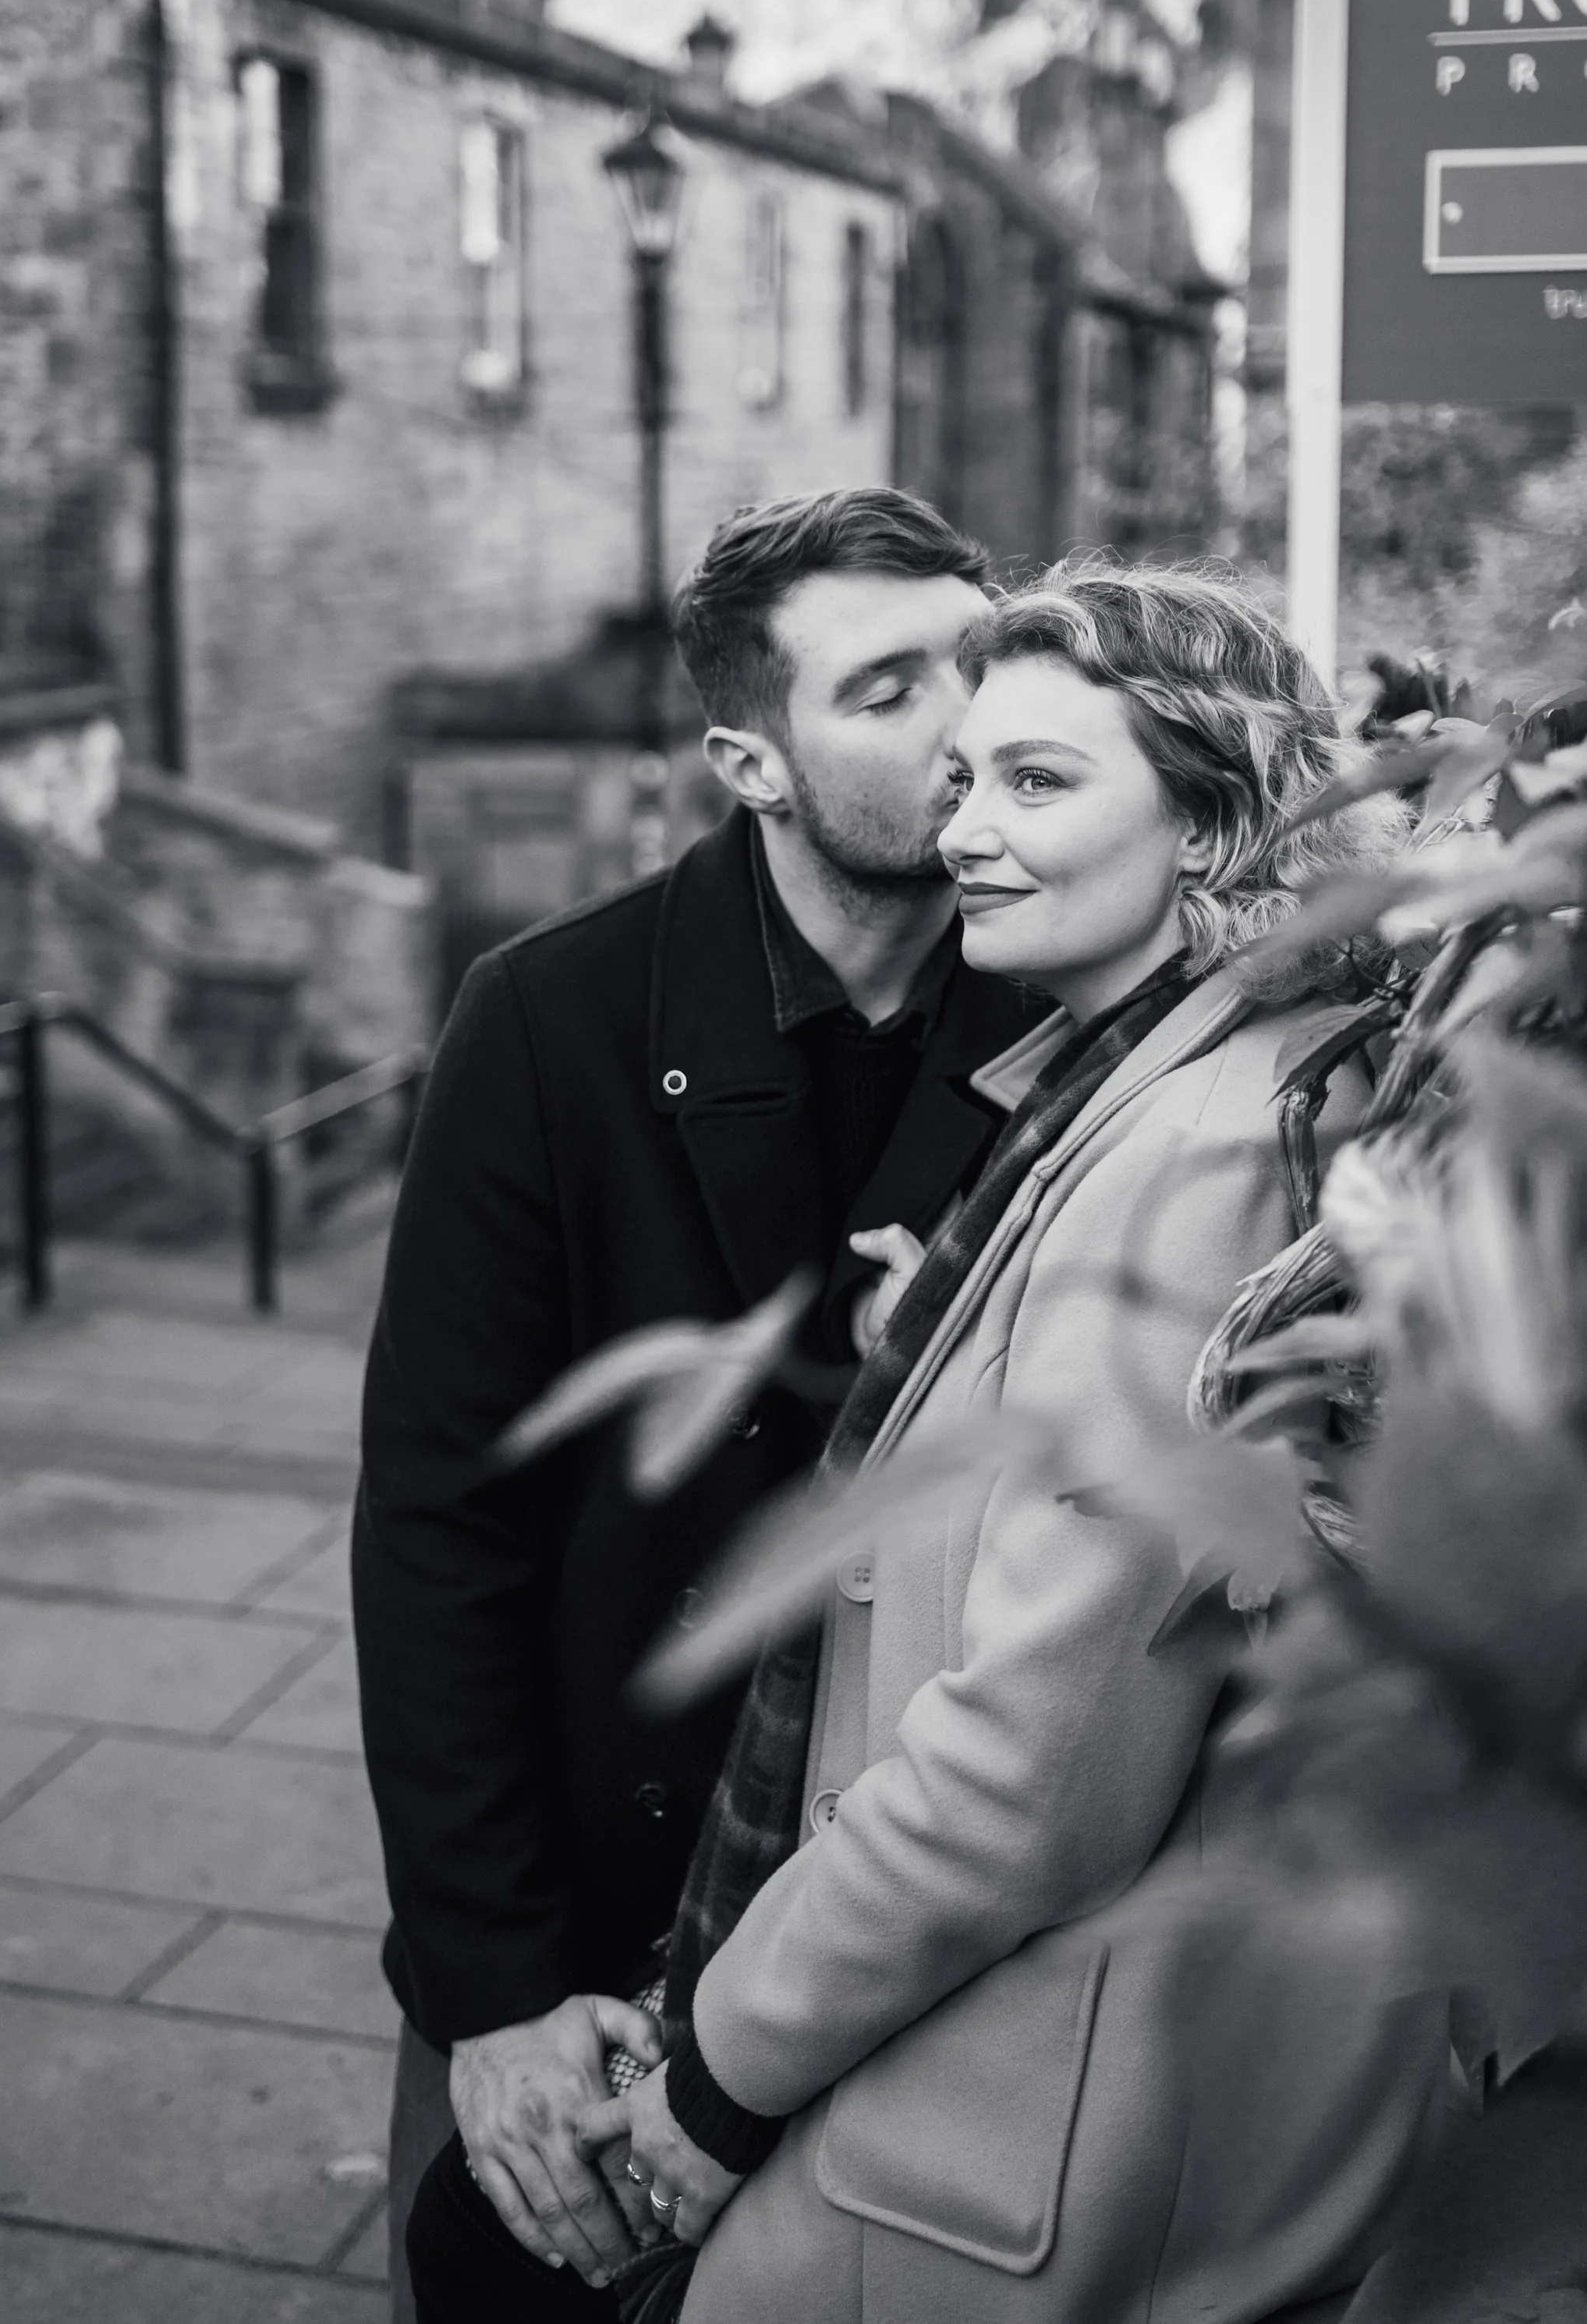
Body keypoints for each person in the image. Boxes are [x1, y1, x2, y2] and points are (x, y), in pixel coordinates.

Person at [572, 564, 1447, 2324]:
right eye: (965, 776)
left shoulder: (1199, 1152)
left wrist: (709, 2087)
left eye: (1040, 782)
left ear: (1210, 827)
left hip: (999, 2124)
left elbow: (1032, 1775)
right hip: (992, 2065)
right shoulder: (1129, 1083)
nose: (965, 824)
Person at [354, 488, 1036, 2320]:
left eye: (982, 660)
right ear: (750, 757)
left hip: (900, 1923)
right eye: (889, 689)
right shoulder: (547, 1020)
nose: (968, 720)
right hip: (581, 1890)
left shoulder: (1087, 1012)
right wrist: (492, 1992)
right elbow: (439, 1523)